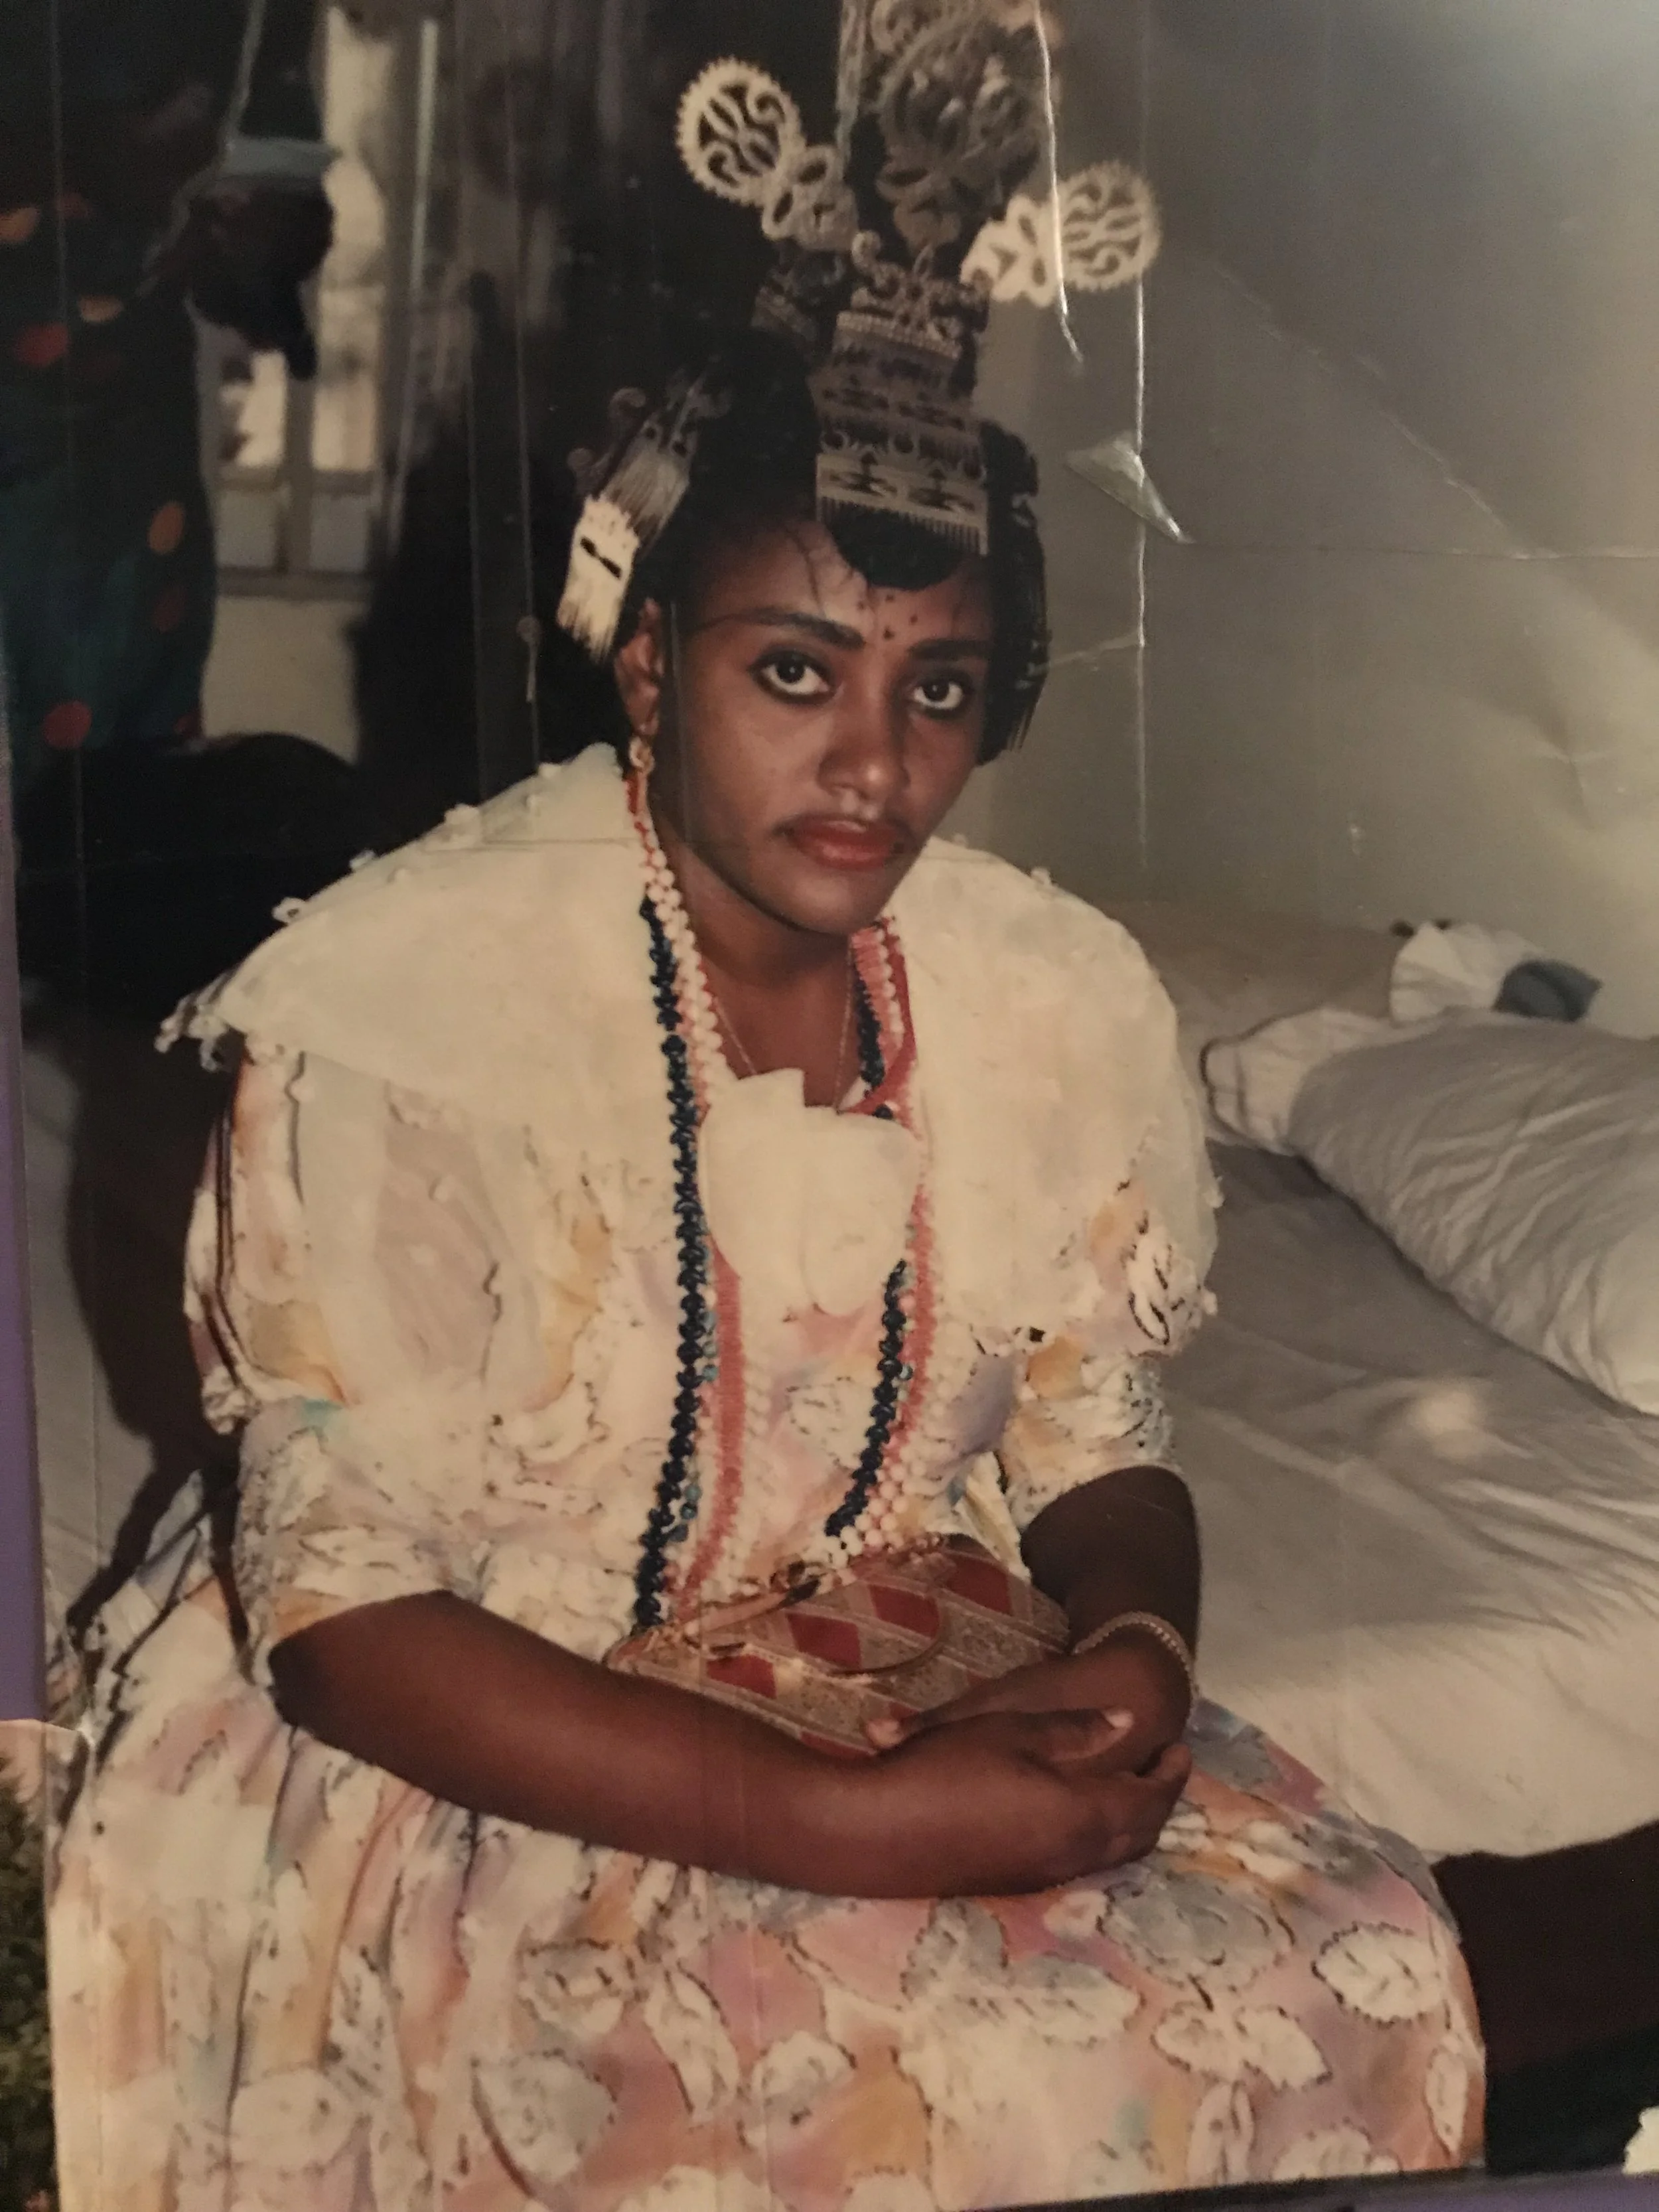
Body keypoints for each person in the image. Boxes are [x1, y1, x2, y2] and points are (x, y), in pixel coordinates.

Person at [48, 15, 1483, 2209]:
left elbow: (1095, 1443)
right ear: (648, 663)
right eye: (792, 670)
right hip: (490, 1720)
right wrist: (832, 1819)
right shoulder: (406, 1003)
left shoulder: (1040, 1001)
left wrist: (1132, 1640)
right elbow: (342, 1618)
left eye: (937, 689)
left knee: (1367, 1951)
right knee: (933, 2070)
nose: (874, 766)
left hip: (902, 1656)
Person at [0, 0, 332, 804]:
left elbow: (277, 197)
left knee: (110, 780)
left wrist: (251, 231)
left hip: (121, 446)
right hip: (67, 382)